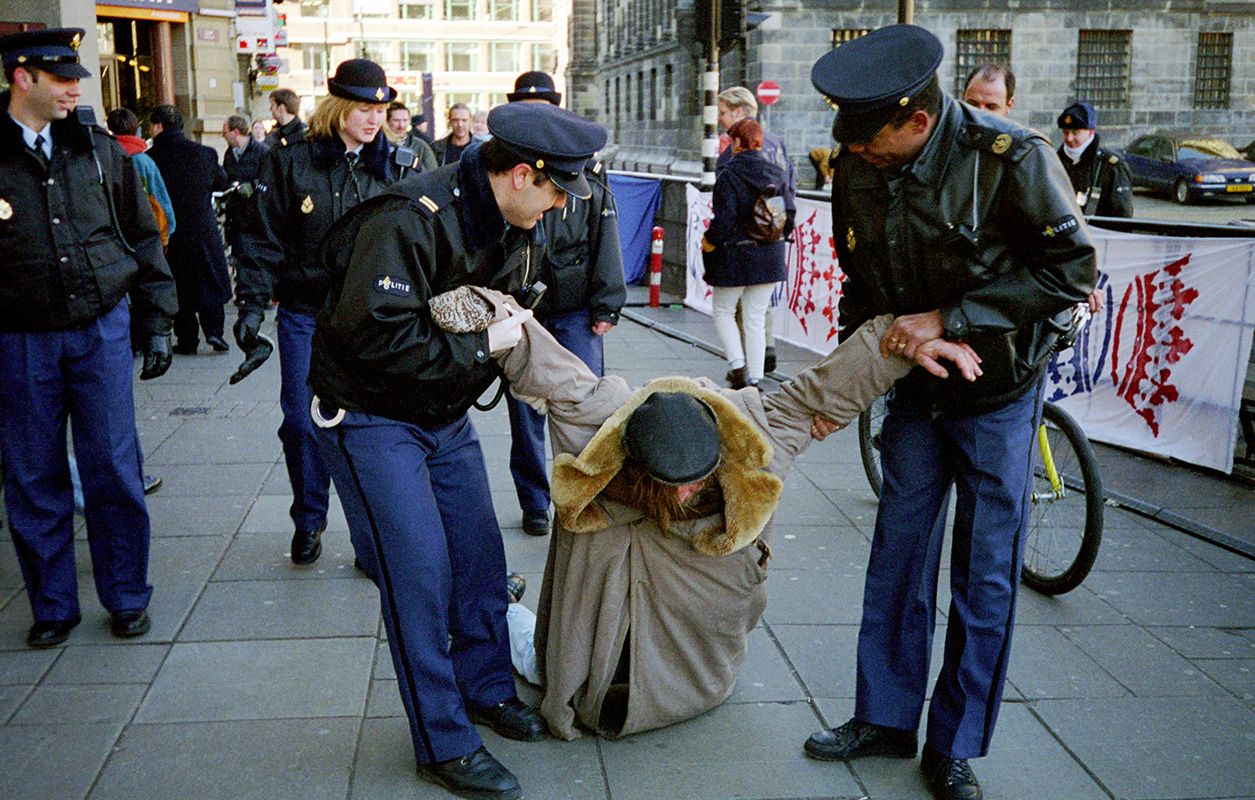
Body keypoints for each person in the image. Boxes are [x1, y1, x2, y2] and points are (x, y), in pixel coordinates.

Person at [422, 286, 980, 742]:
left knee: (536, 650)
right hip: (617, 659)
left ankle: (516, 622)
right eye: (673, 486)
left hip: (698, 663)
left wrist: (902, 342)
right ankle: (510, 619)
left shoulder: (750, 427)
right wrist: (485, 310)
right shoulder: (603, 423)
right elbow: (545, 365)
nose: (688, 497)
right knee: (530, 644)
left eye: (697, 482)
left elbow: (821, 389)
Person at [806, 24, 1096, 800]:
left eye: (873, 142)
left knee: (984, 571)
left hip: (998, 393)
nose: (860, 156)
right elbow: (860, 288)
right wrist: (845, 387)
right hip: (912, 391)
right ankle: (885, 716)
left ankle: (955, 742)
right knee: (897, 553)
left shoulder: (1012, 160)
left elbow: (1069, 271)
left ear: (918, 121)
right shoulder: (861, 165)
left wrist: (953, 317)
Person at [306, 102, 607, 800]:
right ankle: (442, 742)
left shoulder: (513, 216)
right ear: (521, 175)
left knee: (478, 562)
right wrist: (484, 343)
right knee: (419, 579)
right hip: (372, 418)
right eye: (557, 190)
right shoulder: (409, 217)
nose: (562, 206)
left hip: (443, 417)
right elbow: (372, 336)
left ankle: (488, 690)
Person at [0, 28, 176, 648]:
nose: (77, 87)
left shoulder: (100, 152)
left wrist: (158, 320)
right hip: (20, 338)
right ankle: (52, 605)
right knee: (33, 475)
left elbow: (141, 236)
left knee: (112, 466)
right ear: (24, 78)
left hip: (101, 330)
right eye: (63, 78)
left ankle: (127, 596)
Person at [234, 59, 406, 566]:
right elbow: (262, 238)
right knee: (303, 422)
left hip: (372, 319)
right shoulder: (290, 162)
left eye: (381, 108)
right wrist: (249, 304)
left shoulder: (397, 167)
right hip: (305, 314)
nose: (374, 118)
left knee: (368, 427)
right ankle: (309, 519)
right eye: (364, 108)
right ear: (338, 107)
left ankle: (369, 535)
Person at [503, 69, 626, 538]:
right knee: (527, 410)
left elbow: (604, 234)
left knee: (586, 404)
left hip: (574, 306)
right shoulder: (509, 167)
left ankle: (586, 492)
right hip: (524, 308)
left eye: (544, 106)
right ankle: (535, 500)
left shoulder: (587, 168)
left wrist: (606, 304)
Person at [704, 119, 795, 390]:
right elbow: (788, 213)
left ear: (737, 142)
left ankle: (738, 366)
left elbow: (725, 219)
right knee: (755, 316)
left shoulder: (729, 174)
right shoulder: (776, 173)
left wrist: (709, 242)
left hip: (736, 255)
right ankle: (755, 380)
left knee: (723, 311)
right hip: (770, 255)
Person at [148, 104, 231, 355]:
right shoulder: (205, 153)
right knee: (209, 279)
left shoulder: (151, 158)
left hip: (170, 229)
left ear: (158, 126)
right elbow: (221, 181)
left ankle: (187, 339)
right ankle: (215, 332)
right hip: (202, 225)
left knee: (178, 285)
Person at [1057, 101, 1134, 218]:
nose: (1069, 138)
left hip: (1098, 233)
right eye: (1065, 132)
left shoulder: (1111, 166)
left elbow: (1122, 216)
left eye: (1075, 132)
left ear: (1091, 132)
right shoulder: (1054, 161)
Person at [221, 114, 267, 268]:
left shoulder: (262, 152)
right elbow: (226, 178)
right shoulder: (229, 154)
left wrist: (252, 186)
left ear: (235, 132)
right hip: (235, 215)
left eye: (225, 132)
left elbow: (269, 179)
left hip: (255, 216)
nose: (223, 136)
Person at [384, 100, 437, 171]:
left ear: (409, 121)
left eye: (405, 120)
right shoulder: (380, 145)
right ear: (387, 121)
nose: (401, 125)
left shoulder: (421, 147)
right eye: (396, 120)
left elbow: (433, 175)